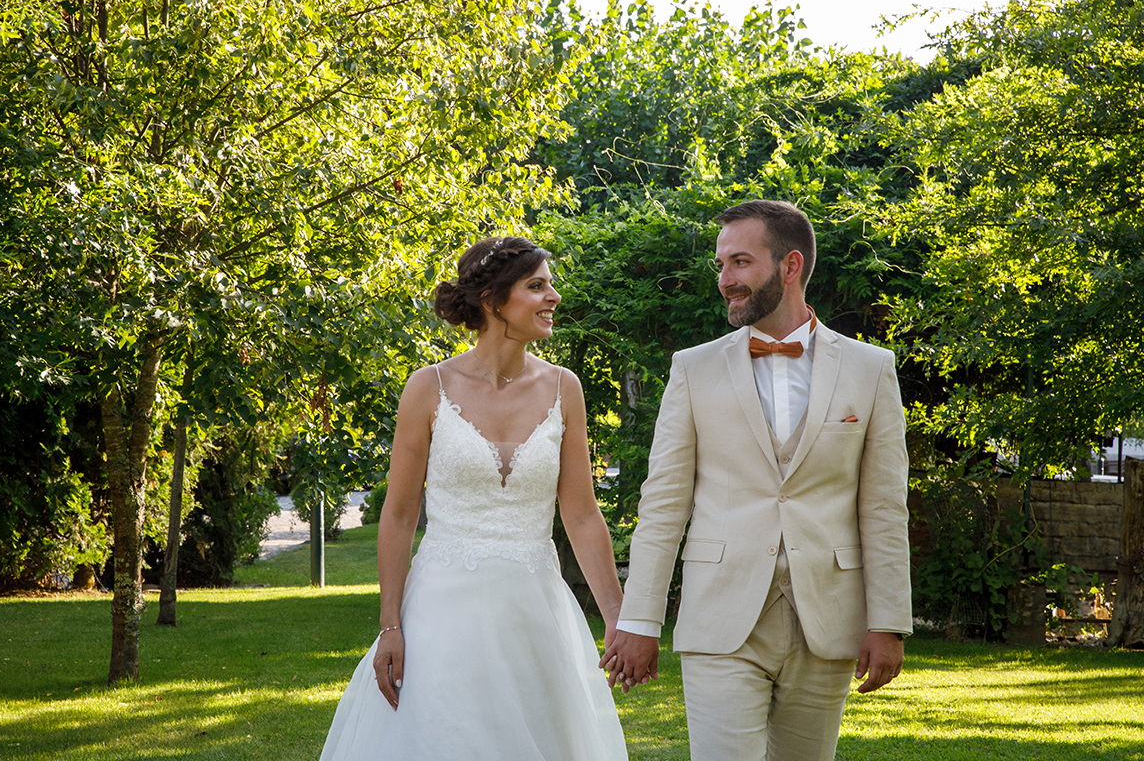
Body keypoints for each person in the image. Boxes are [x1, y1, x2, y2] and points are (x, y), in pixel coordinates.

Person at [601, 200, 912, 761]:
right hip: (721, 617)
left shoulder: (872, 369)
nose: (725, 281)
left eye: (740, 263)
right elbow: (664, 503)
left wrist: (888, 621)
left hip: (828, 619)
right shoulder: (693, 369)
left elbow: (885, 508)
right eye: (721, 266)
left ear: (790, 266)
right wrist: (640, 621)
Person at [319, 236, 628, 761]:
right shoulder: (428, 386)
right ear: (492, 300)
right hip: (441, 614)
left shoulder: (563, 388)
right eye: (537, 286)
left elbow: (580, 513)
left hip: (537, 614)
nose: (554, 297)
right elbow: (397, 515)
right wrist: (389, 625)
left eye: (550, 285)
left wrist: (619, 618)